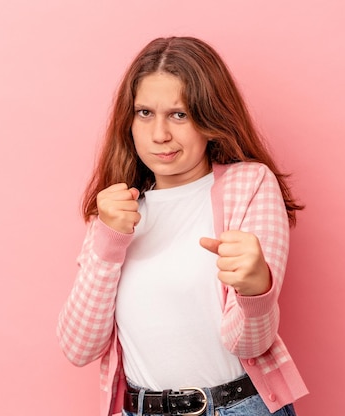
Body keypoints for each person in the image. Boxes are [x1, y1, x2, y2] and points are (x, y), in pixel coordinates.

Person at [57, 36, 308, 416]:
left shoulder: (249, 184)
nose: (159, 134)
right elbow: (79, 347)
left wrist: (257, 290)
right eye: (145, 113)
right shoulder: (117, 209)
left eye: (179, 114)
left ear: (210, 119)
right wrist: (108, 243)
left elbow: (250, 344)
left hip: (234, 407)